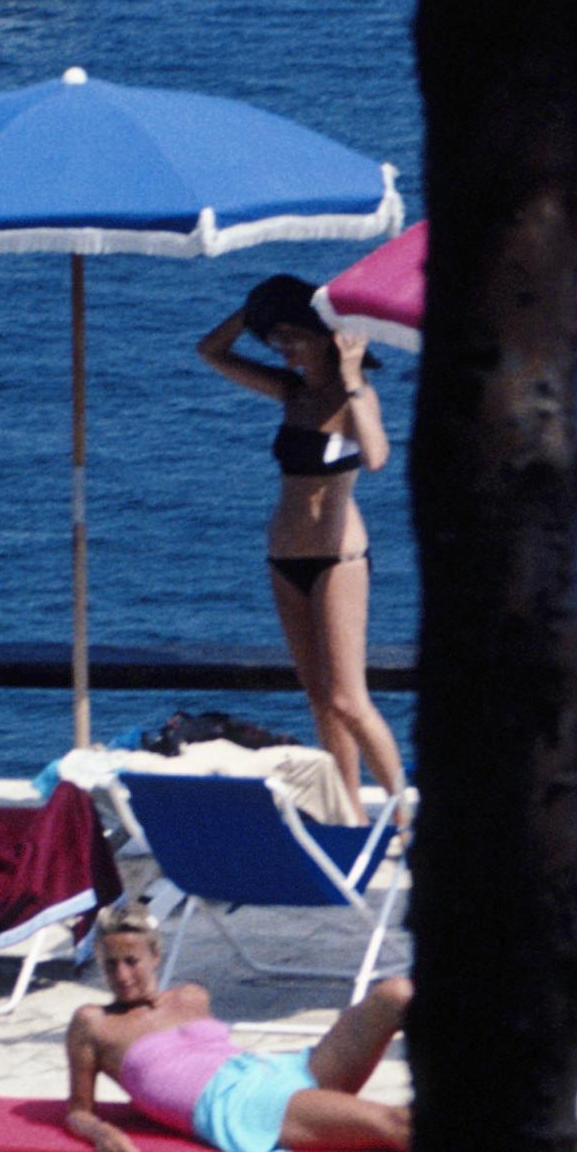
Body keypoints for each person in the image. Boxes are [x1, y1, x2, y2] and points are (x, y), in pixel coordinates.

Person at [198, 277, 405, 800]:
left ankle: (405, 816)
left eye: (294, 336)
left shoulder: (354, 398)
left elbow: (377, 457)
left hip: (339, 557)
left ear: (325, 337)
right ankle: (350, 813)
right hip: (284, 556)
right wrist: (256, 310)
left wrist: (354, 375)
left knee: (348, 699)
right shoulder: (293, 393)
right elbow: (211, 351)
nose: (283, 348)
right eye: (276, 339)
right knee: (318, 699)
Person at [56, 900, 414, 1152]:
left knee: (397, 994)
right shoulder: (94, 1023)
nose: (121, 975)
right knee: (399, 1124)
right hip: (241, 1105)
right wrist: (103, 1135)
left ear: (155, 955)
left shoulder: (191, 997)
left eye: (130, 961)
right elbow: (78, 1112)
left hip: (280, 1071)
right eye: (109, 964)